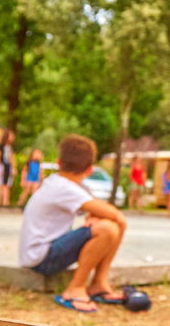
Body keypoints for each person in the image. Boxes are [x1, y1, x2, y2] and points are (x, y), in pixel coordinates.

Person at [18, 134, 128, 313]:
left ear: (59, 163)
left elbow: (95, 208)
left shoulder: (58, 183)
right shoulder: (64, 187)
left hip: (41, 253)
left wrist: (95, 216)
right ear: (90, 170)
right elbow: (115, 215)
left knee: (109, 225)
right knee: (109, 228)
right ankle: (75, 288)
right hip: (42, 258)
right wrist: (100, 218)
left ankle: (99, 283)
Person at [0, 130, 16, 210]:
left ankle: (5, 203)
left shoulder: (10, 147)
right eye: (11, 135)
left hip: (8, 167)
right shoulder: (0, 146)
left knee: (7, 185)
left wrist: (13, 168)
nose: (13, 137)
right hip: (1, 166)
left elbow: (11, 159)